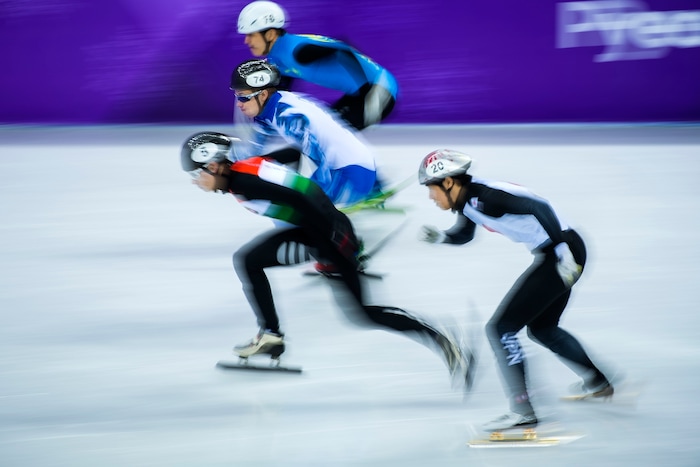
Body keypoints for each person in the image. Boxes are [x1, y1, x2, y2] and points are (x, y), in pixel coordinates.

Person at [180, 132, 472, 389]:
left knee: (364, 314)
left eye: (197, 173)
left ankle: (442, 340)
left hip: (327, 238)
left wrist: (334, 239)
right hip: (323, 233)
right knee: (249, 260)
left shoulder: (245, 183)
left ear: (215, 165)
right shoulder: (246, 171)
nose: (196, 181)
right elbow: (292, 156)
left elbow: (302, 199)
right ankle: (270, 334)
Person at [416, 149, 613, 431]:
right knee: (543, 329)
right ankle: (598, 383)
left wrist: (561, 250)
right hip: (564, 249)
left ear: (448, 182)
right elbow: (465, 234)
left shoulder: (484, 198)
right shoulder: (469, 200)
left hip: (561, 254)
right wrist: (442, 237)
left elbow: (539, 207)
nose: (430, 197)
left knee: (500, 329)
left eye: (431, 189)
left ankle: (523, 411)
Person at [230, 58, 381, 208]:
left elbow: (320, 154)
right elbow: (255, 148)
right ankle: (371, 187)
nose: (239, 103)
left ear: (262, 95)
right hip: (360, 167)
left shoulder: (288, 117)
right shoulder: (274, 106)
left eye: (243, 96)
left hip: (349, 176)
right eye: (237, 96)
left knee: (288, 206)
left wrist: (316, 199)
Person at [237, 0, 398, 131]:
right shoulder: (276, 59)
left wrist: (368, 88)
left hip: (380, 89)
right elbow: (281, 92)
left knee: (326, 138)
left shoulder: (299, 51)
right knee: (315, 136)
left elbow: (343, 48)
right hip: (358, 94)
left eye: (251, 35)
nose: (246, 41)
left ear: (270, 34)